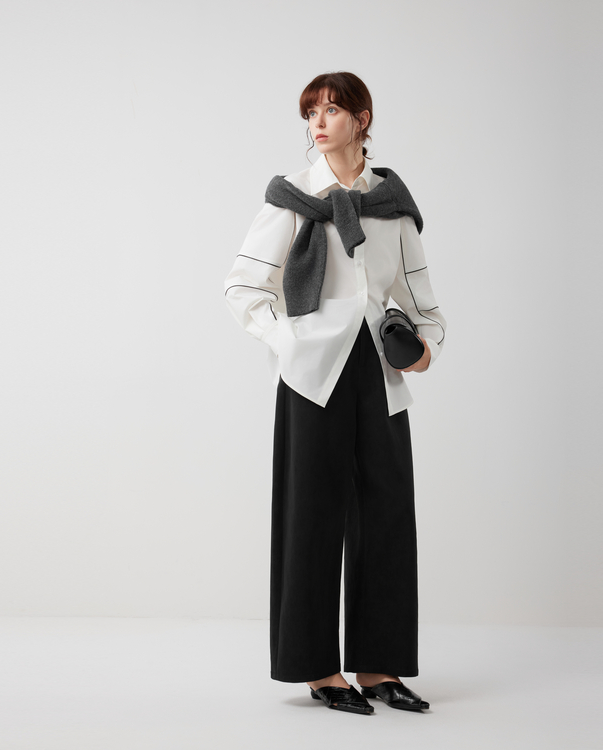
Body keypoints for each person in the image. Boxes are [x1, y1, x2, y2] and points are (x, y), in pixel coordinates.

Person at [224, 71, 447, 715]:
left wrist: (426, 348)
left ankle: (378, 668)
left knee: (386, 517)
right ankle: (319, 670)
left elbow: (423, 302)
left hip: (379, 372)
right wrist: (290, 341)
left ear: (361, 119)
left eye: (330, 110)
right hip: (311, 378)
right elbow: (242, 288)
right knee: (310, 519)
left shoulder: (391, 205)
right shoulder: (293, 199)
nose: (318, 123)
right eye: (311, 114)